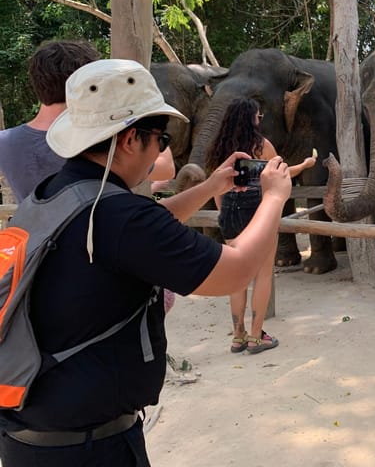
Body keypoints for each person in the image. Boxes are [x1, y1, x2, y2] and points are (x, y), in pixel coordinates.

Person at [0, 59, 295, 467]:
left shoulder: (59, 194)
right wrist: (275, 198)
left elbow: (143, 227)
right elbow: (238, 270)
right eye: (160, 139)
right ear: (129, 140)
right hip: (87, 450)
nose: (162, 150)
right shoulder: (120, 218)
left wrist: (211, 187)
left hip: (29, 438)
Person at [205, 98, 280, 355]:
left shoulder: (220, 148)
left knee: (237, 276)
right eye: (258, 116)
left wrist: (224, 210)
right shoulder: (262, 146)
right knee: (263, 273)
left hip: (229, 209)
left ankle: (238, 336)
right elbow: (276, 177)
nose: (260, 121)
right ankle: (257, 336)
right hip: (256, 210)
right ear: (252, 119)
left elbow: (217, 189)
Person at [0, 40, 100, 202]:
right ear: (85, 82)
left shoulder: (5, 142)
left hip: (31, 227)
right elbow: (152, 167)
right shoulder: (99, 139)